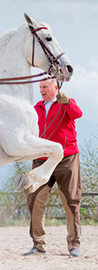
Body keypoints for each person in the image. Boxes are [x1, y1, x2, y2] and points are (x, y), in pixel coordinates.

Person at [23, 78, 83, 257]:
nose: (41, 90)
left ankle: (74, 245)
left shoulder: (66, 103)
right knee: (34, 200)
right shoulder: (37, 108)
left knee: (71, 201)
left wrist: (68, 101)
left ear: (55, 88)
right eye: (40, 87)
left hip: (66, 158)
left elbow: (77, 114)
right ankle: (38, 245)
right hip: (42, 160)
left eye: (45, 87)